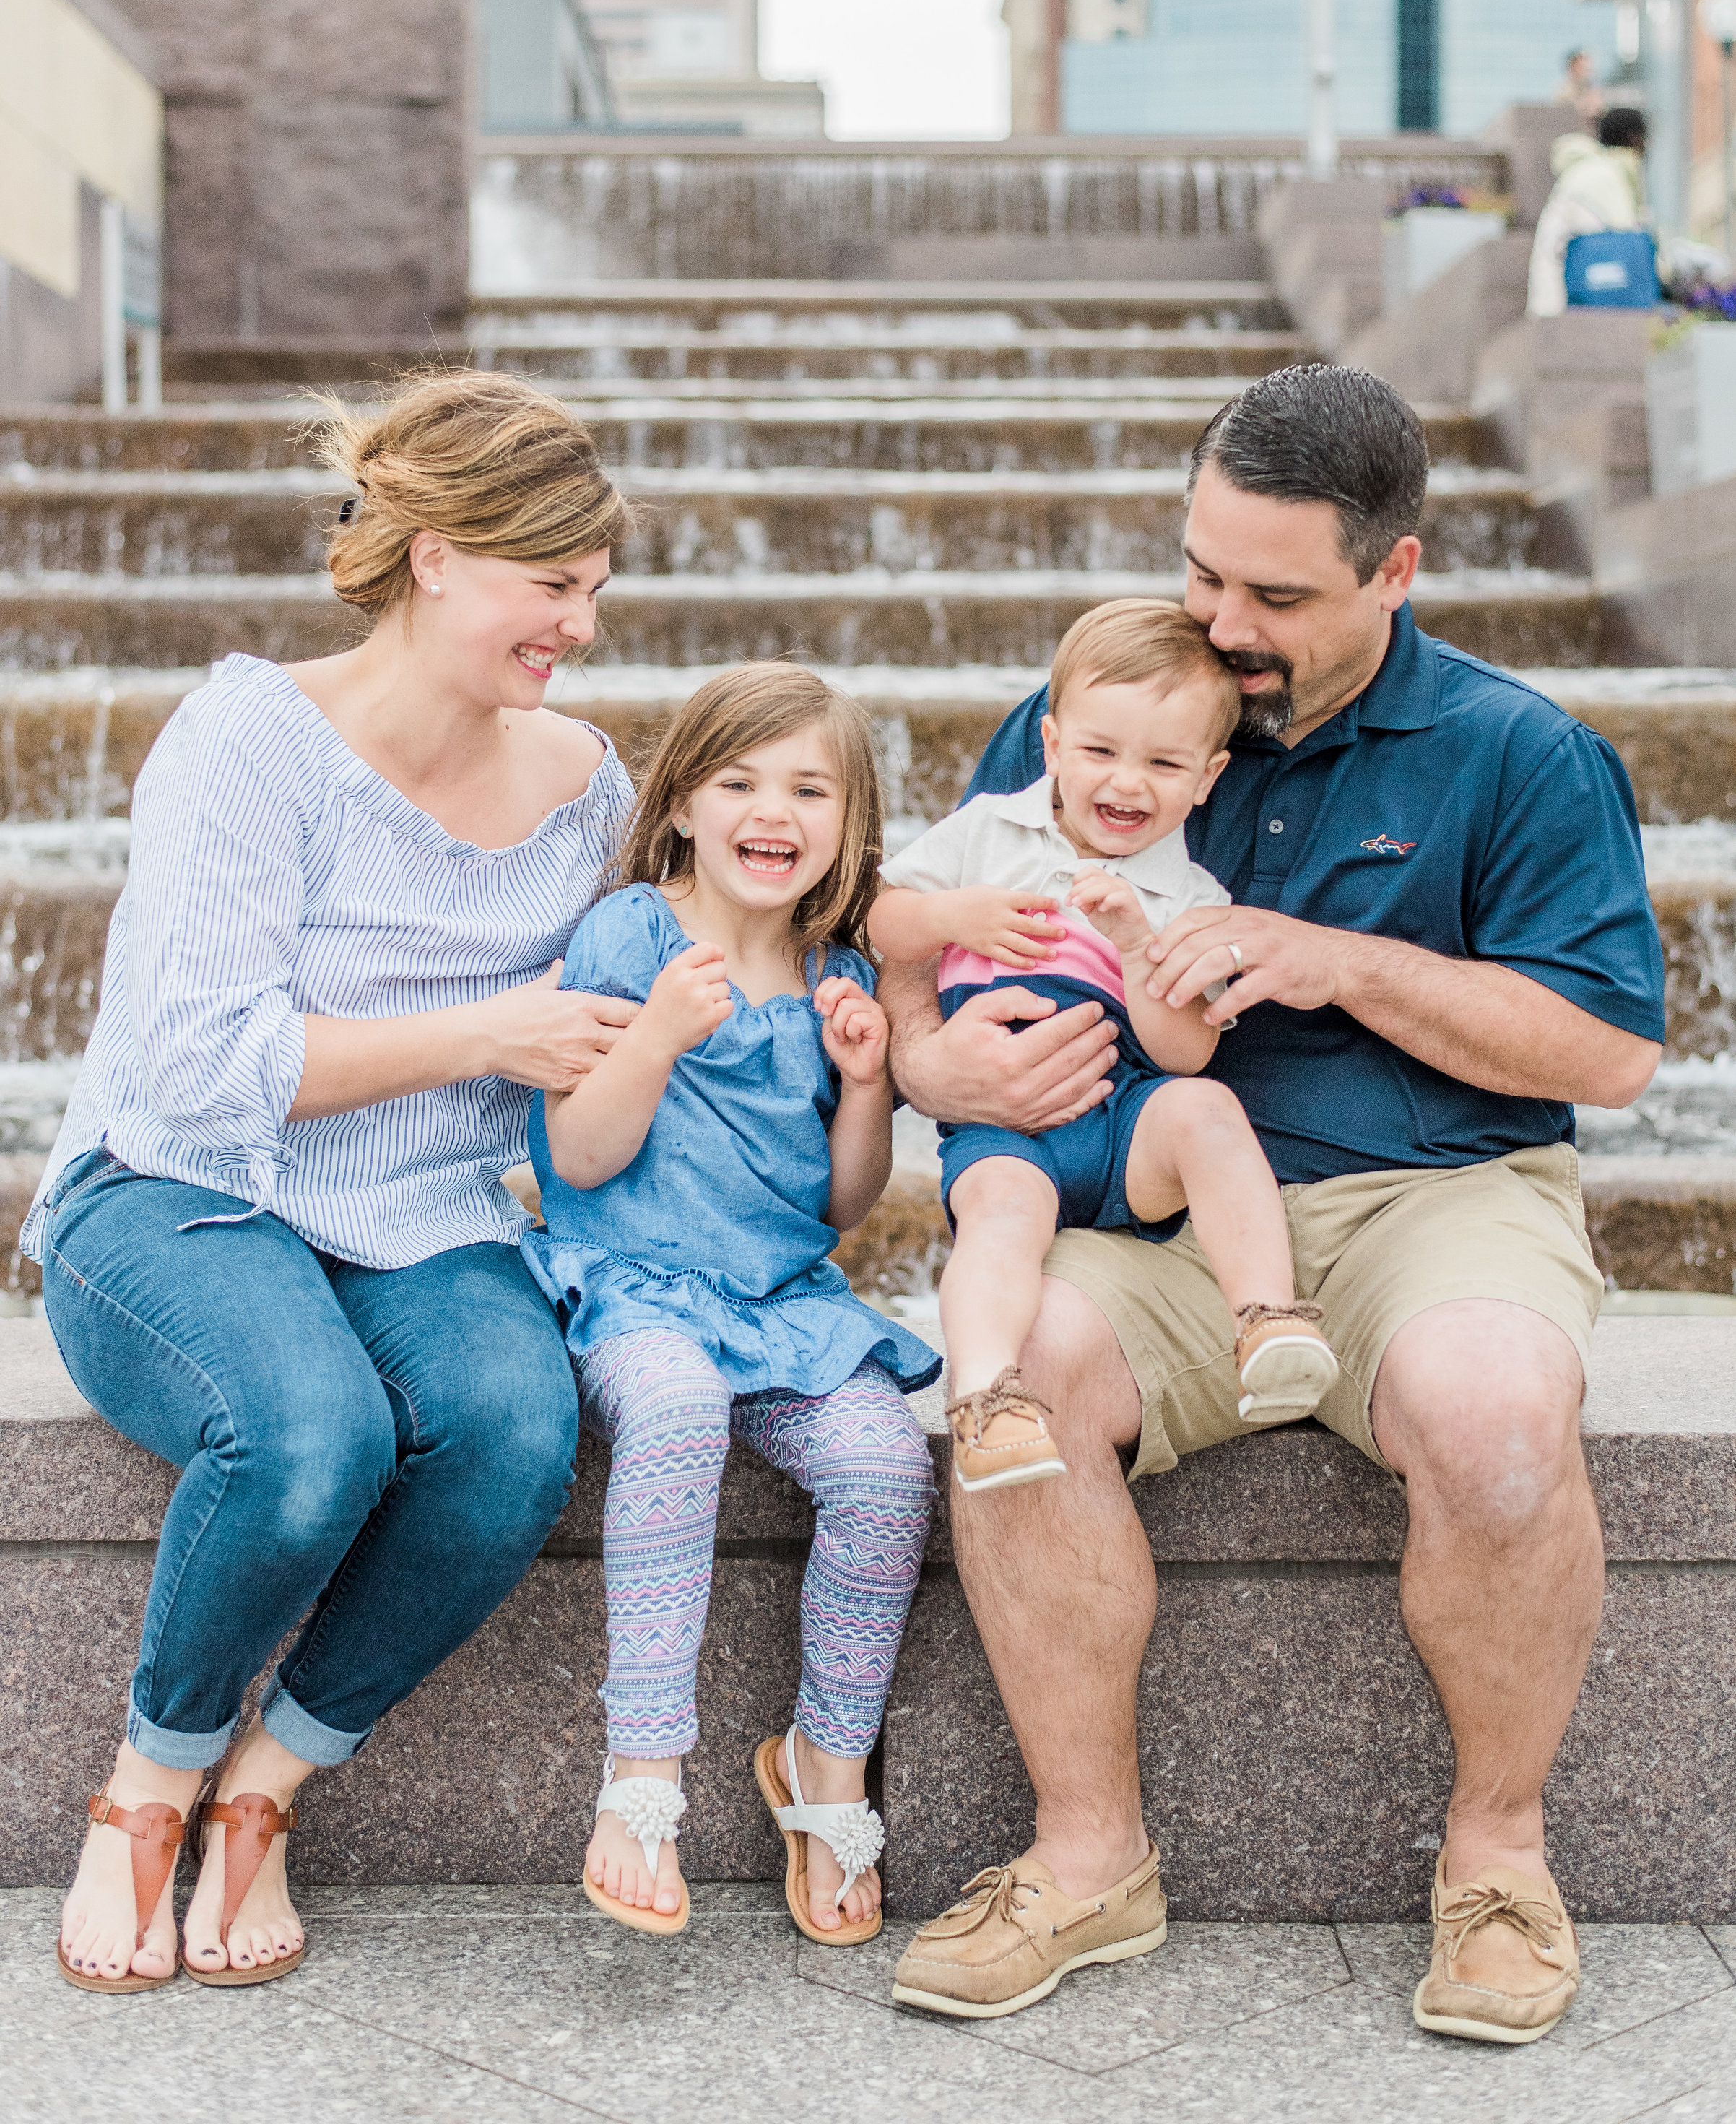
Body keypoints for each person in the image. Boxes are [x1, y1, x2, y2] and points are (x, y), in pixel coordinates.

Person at [881, 365, 1663, 2041]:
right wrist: (946, 1079)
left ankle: (1498, 1860)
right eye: (1199, 570)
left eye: (1275, 594)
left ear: (1395, 571)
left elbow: (1603, 1052)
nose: (1220, 622)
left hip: (1430, 1190)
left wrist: (1342, 964)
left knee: (1498, 1413)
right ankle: (1087, 1859)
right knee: (1010, 1386)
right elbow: (937, 968)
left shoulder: (1522, 752)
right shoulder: (1092, 709)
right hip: (1140, 1181)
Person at [39, 371, 642, 1992]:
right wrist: (485, 1034)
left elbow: (719, 930)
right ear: (435, 556)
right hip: (178, 1192)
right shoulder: (251, 737)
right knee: (313, 1433)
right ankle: (147, 1789)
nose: (579, 628)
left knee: (515, 1436)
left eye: (594, 591)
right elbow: (199, 1071)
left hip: (424, 1213)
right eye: (552, 587)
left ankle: (268, 1788)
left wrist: (917, 963)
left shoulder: (586, 786)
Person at [525, 662, 938, 1946]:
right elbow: (577, 1158)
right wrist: (652, 1034)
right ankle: (641, 1773)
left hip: (781, 1299)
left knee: (885, 1473)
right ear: (685, 803)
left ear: (849, 824)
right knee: (678, 1405)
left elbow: (837, 1209)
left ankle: (822, 1761)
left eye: (809, 787)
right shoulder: (628, 937)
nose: (776, 809)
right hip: (635, 1285)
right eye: (741, 780)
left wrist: (866, 1084)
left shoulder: (836, 968)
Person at [869, 598, 1337, 1494]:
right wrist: (949, 915)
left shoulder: (1190, 894)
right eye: (1099, 752)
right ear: (1049, 745)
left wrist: (1134, 946)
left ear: (1207, 778)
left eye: (1163, 764)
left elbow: (1186, 1054)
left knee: (1205, 1110)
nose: (1127, 784)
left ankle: (1267, 1318)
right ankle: (985, 1398)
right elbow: (880, 918)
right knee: (999, 1222)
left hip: (1122, 1125)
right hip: (1003, 1132)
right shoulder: (986, 834)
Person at [1526, 105, 1649, 316]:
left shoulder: (1590, 171)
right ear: (1634, 138)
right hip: (1581, 306)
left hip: (1559, 303)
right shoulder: (1607, 177)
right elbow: (1628, 246)